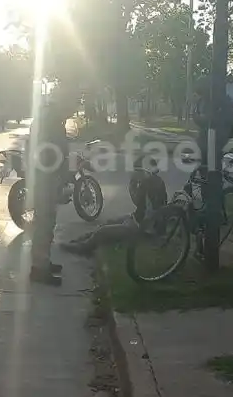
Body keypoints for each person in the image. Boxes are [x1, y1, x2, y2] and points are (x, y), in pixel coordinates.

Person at [60, 156, 168, 255]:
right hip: (142, 221)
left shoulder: (147, 185)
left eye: (137, 171)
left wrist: (133, 186)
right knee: (109, 222)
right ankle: (80, 240)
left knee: (103, 231)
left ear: (145, 171)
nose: (134, 173)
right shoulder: (156, 181)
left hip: (144, 228)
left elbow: (148, 213)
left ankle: (83, 248)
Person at [28, 93, 71, 285]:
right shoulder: (49, 124)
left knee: (48, 221)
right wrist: (59, 174)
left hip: (47, 177)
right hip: (46, 178)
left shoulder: (50, 121)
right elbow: (50, 154)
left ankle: (43, 262)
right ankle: (39, 269)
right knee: (44, 222)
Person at [192, 77, 233, 168]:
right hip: (218, 135)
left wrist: (197, 116)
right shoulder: (219, 98)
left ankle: (211, 174)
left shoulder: (210, 100)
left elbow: (208, 120)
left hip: (214, 136)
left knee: (209, 159)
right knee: (211, 159)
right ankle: (212, 172)